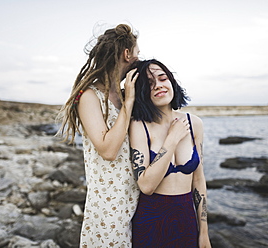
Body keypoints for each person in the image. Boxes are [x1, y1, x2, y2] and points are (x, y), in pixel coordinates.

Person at [56, 24, 140, 247]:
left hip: (136, 200)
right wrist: (129, 102)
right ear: (127, 54)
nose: (139, 59)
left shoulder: (122, 96)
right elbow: (108, 150)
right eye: (137, 53)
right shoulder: (90, 96)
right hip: (108, 208)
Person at [129, 59, 212, 248]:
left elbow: (198, 180)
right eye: (149, 84)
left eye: (162, 78)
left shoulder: (194, 124)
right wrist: (172, 139)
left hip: (186, 220)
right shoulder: (139, 125)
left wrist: (204, 232)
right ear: (142, 91)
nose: (158, 85)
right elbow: (146, 185)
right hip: (150, 222)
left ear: (171, 81)